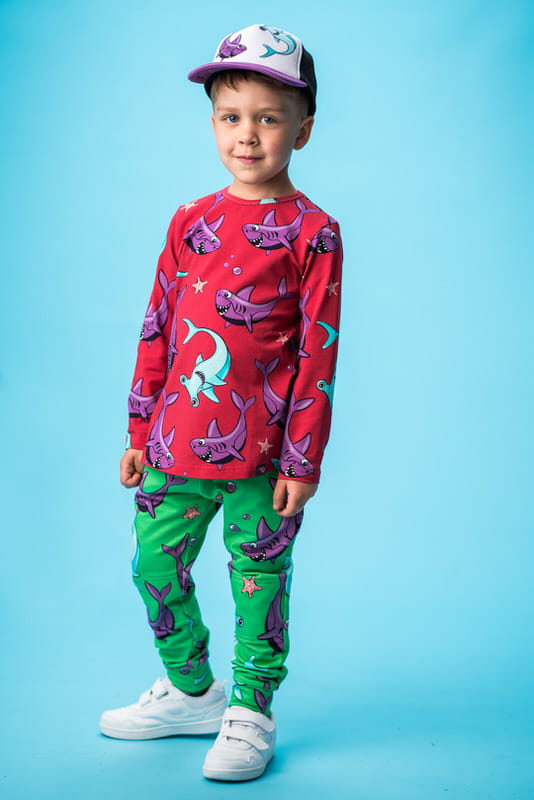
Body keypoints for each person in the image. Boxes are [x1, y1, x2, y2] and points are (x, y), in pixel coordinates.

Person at [100, 23, 343, 782]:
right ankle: (192, 690)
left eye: (269, 119)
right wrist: (139, 426)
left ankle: (251, 708)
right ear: (212, 123)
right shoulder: (189, 220)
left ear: (302, 129)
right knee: (152, 564)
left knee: (258, 582)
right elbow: (158, 326)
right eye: (231, 117)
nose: (248, 135)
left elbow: (319, 354)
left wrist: (302, 460)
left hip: (264, 455)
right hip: (174, 442)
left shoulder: (314, 233)